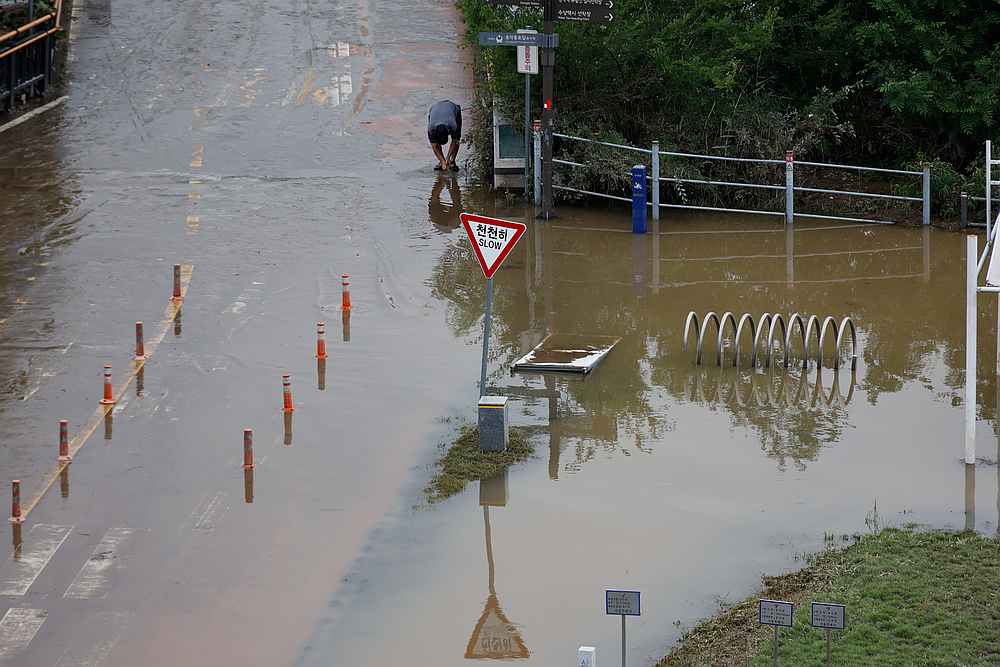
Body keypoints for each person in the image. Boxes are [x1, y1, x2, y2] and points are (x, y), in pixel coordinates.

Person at [427, 100, 462, 171]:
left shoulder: (453, 125)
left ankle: (452, 161)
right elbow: (434, 146)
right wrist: (443, 161)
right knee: (436, 146)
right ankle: (441, 161)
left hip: (452, 107)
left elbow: (455, 141)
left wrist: (448, 158)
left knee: (457, 138)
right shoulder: (431, 129)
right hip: (434, 108)